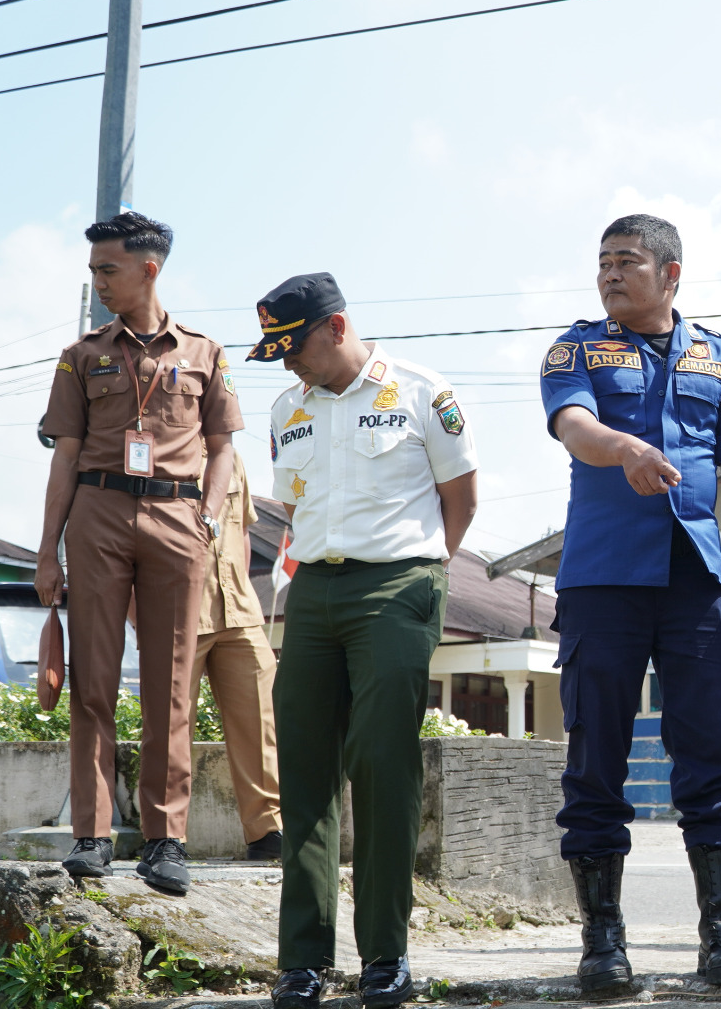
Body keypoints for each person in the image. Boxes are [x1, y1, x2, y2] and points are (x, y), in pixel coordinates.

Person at [540, 214, 721, 993]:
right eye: (603, 262)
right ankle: (602, 939)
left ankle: (720, 932)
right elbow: (576, 426)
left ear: (671, 274)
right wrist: (626, 448)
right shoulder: (575, 347)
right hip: (602, 582)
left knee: (712, 756)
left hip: (696, 583)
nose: (611, 274)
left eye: (628, 262)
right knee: (596, 760)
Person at [252, 273, 479, 1009]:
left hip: (396, 585)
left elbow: (461, 494)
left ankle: (386, 954)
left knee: (383, 763)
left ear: (337, 326)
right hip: (313, 594)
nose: (287, 362)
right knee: (306, 774)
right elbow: (293, 505)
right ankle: (303, 960)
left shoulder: (419, 391)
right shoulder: (288, 407)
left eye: (294, 346)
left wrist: (428, 569)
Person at [37, 212, 241, 896]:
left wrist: (208, 518)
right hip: (95, 513)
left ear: (149, 268)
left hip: (178, 517)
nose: (97, 282)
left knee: (172, 683)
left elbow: (224, 450)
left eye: (107, 269)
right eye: (94, 270)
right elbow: (64, 453)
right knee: (93, 680)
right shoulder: (81, 354)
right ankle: (92, 835)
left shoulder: (206, 353)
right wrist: (46, 552)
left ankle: (165, 839)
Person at [192, 450, 284, 860]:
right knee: (171, 725)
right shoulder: (152, 450)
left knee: (262, 718)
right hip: (179, 611)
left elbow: (242, 531)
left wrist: (243, 591)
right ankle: (164, 835)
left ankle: (268, 832)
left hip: (239, 609)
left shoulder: (230, 457)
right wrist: (139, 615)